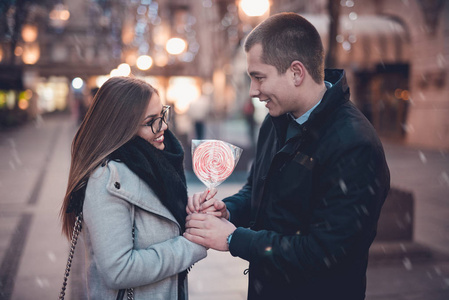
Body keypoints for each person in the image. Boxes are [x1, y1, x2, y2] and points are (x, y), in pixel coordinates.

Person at [184, 12, 390, 300]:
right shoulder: (275, 121)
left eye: (259, 77)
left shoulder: (355, 144)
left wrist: (234, 238)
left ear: (296, 72)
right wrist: (228, 210)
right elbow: (257, 188)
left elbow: (326, 252)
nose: (254, 91)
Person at [60, 76, 207, 300]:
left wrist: (193, 213)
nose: (164, 127)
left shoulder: (154, 166)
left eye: (162, 115)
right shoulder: (107, 180)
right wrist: (191, 246)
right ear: (121, 127)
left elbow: (156, 222)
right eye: (151, 121)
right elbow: (118, 270)